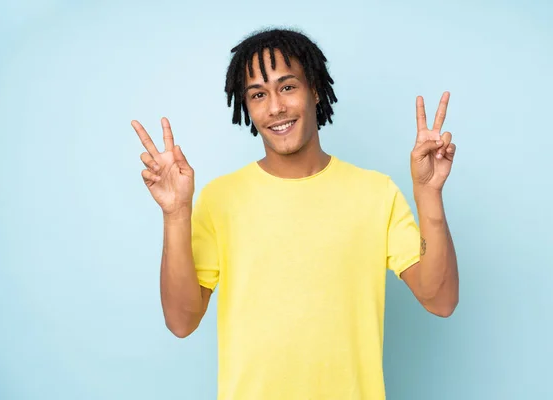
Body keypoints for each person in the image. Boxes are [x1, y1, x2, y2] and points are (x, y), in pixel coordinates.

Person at [131, 28, 459, 400]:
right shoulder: (220, 198)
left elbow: (441, 300)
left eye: (287, 87)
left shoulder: (375, 193)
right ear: (247, 106)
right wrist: (175, 214)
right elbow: (181, 321)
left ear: (315, 90)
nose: (275, 108)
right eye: (258, 94)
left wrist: (428, 193)